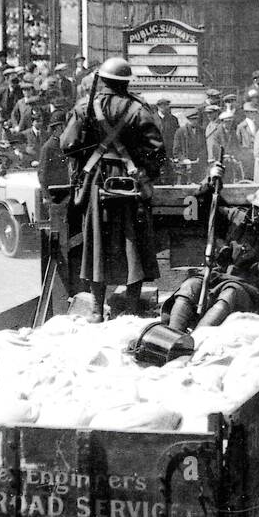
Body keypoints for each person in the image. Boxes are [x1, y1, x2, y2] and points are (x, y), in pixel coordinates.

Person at [60, 57, 167, 322]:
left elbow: (67, 145)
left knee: (97, 243)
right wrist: (144, 172)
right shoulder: (138, 109)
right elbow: (157, 151)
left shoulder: (84, 107)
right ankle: (130, 310)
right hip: (130, 184)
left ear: (102, 80)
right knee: (134, 243)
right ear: (125, 82)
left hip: (97, 182)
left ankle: (96, 310)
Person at [162, 173, 259, 332]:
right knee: (190, 286)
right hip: (217, 277)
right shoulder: (235, 218)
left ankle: (197, 337)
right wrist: (210, 181)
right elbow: (202, 206)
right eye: (256, 208)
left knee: (230, 294)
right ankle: (172, 335)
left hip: (247, 288)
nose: (258, 214)